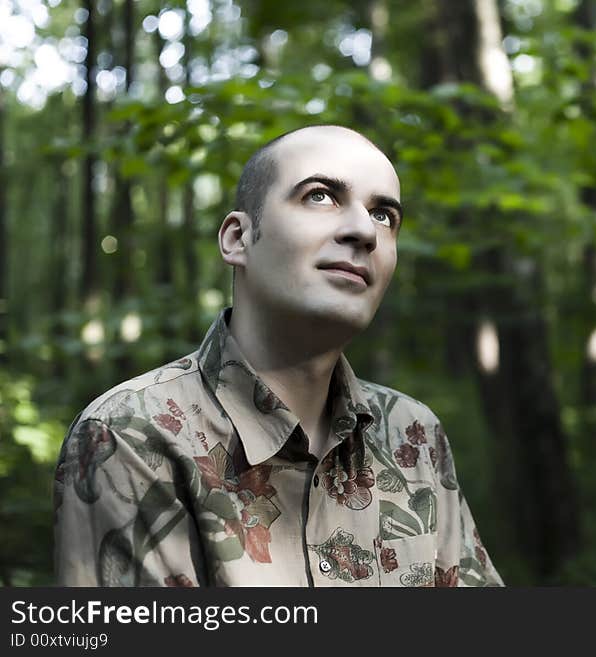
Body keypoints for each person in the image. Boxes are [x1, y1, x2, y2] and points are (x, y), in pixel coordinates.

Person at [53, 125, 503, 587]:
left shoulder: (413, 433)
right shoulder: (131, 435)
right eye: (321, 196)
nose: (364, 230)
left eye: (384, 215)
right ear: (237, 239)